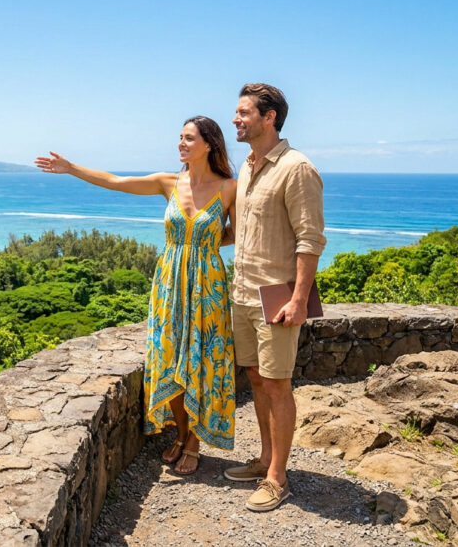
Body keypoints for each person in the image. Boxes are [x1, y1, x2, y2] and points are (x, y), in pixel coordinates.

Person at [35, 116, 237, 476]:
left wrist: (201, 247)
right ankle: (183, 431)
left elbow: (238, 231)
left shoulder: (230, 188)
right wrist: (71, 169)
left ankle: (193, 442)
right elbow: (115, 181)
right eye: (180, 137)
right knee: (169, 355)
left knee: (202, 359)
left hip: (207, 285)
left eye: (189, 138)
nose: (181, 144)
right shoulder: (167, 182)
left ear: (209, 144)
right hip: (169, 281)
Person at [223, 83, 326, 512]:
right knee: (256, 379)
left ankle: (278, 478)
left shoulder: (296, 167)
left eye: (244, 112)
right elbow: (242, 232)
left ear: (270, 118)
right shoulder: (247, 167)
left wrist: (300, 299)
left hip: (277, 297)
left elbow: (310, 239)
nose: (235, 119)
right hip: (242, 294)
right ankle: (265, 459)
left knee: (279, 385)